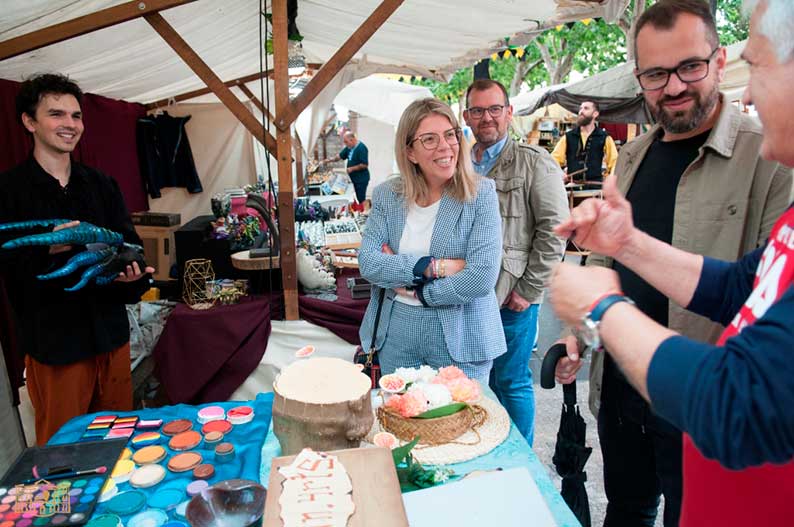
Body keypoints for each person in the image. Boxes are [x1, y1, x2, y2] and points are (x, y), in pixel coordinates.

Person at [550, 0, 794, 524]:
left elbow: (739, 401)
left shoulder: (767, 159)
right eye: (657, 74)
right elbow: (737, 285)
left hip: (694, 407)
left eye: (690, 67)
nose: (748, 93)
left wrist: (601, 309)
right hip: (628, 393)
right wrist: (625, 245)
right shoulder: (635, 155)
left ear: (719, 61)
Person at [0, 74, 154, 445]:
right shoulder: (8, 191)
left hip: (111, 339)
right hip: (57, 347)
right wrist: (46, 248)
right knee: (63, 451)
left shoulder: (102, 184)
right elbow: (9, 269)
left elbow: (129, 245)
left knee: (119, 442)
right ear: (29, 121)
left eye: (76, 116)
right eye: (56, 114)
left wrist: (131, 274)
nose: (70, 124)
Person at [358, 98, 506, 384]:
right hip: (398, 335)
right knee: (404, 421)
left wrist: (421, 293)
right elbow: (369, 262)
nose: (445, 146)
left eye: (450, 134)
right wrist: (431, 267)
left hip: (462, 337)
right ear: (410, 152)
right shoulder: (388, 195)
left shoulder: (481, 194)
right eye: (429, 139)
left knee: (462, 425)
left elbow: (481, 276)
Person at [463, 79, 569, 445]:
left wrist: (529, 289)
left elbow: (555, 231)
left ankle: (520, 461)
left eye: (494, 109)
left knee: (510, 381)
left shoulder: (534, 163)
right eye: (477, 111)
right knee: (474, 383)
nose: (486, 118)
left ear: (509, 113)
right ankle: (487, 449)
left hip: (512, 297)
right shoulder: (457, 165)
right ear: (467, 117)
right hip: (467, 296)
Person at [551, 100, 619, 182]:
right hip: (572, 186)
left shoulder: (604, 137)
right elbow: (554, 159)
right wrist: (561, 173)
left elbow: (615, 162)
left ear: (595, 114)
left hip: (595, 187)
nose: (581, 111)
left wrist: (610, 178)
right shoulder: (568, 137)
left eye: (586, 108)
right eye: (580, 108)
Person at [324, 131, 370, 204]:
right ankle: (358, 210)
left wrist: (352, 168)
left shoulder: (361, 148)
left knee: (361, 198)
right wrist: (329, 160)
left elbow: (364, 164)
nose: (345, 144)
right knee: (355, 198)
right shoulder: (349, 147)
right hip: (353, 178)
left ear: (352, 139)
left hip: (361, 179)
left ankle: (363, 212)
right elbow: (339, 156)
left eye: (346, 142)